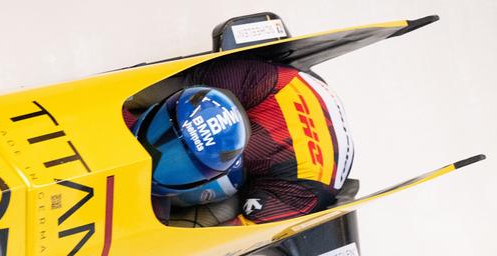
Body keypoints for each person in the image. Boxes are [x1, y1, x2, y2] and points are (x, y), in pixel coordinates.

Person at [125, 57, 354, 226]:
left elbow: (229, 238)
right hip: (270, 87)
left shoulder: (296, 194)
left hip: (291, 180)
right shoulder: (243, 78)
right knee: (155, 91)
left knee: (218, 223)